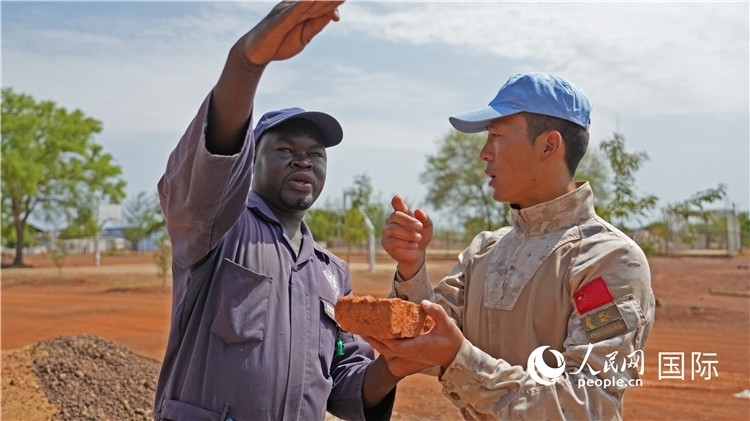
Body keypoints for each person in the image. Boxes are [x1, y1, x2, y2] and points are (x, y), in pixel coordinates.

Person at [153, 2, 402, 420]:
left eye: (316, 155)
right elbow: (213, 163)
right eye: (285, 150)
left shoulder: (332, 273)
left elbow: (343, 386)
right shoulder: (219, 227)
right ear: (252, 158)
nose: (303, 161)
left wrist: (395, 366)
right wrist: (247, 62)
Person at [370, 72, 656, 420]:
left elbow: (586, 404)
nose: (483, 153)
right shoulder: (483, 252)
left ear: (548, 146)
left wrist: (459, 359)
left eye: (496, 136)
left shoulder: (607, 259)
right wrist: (411, 268)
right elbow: (420, 346)